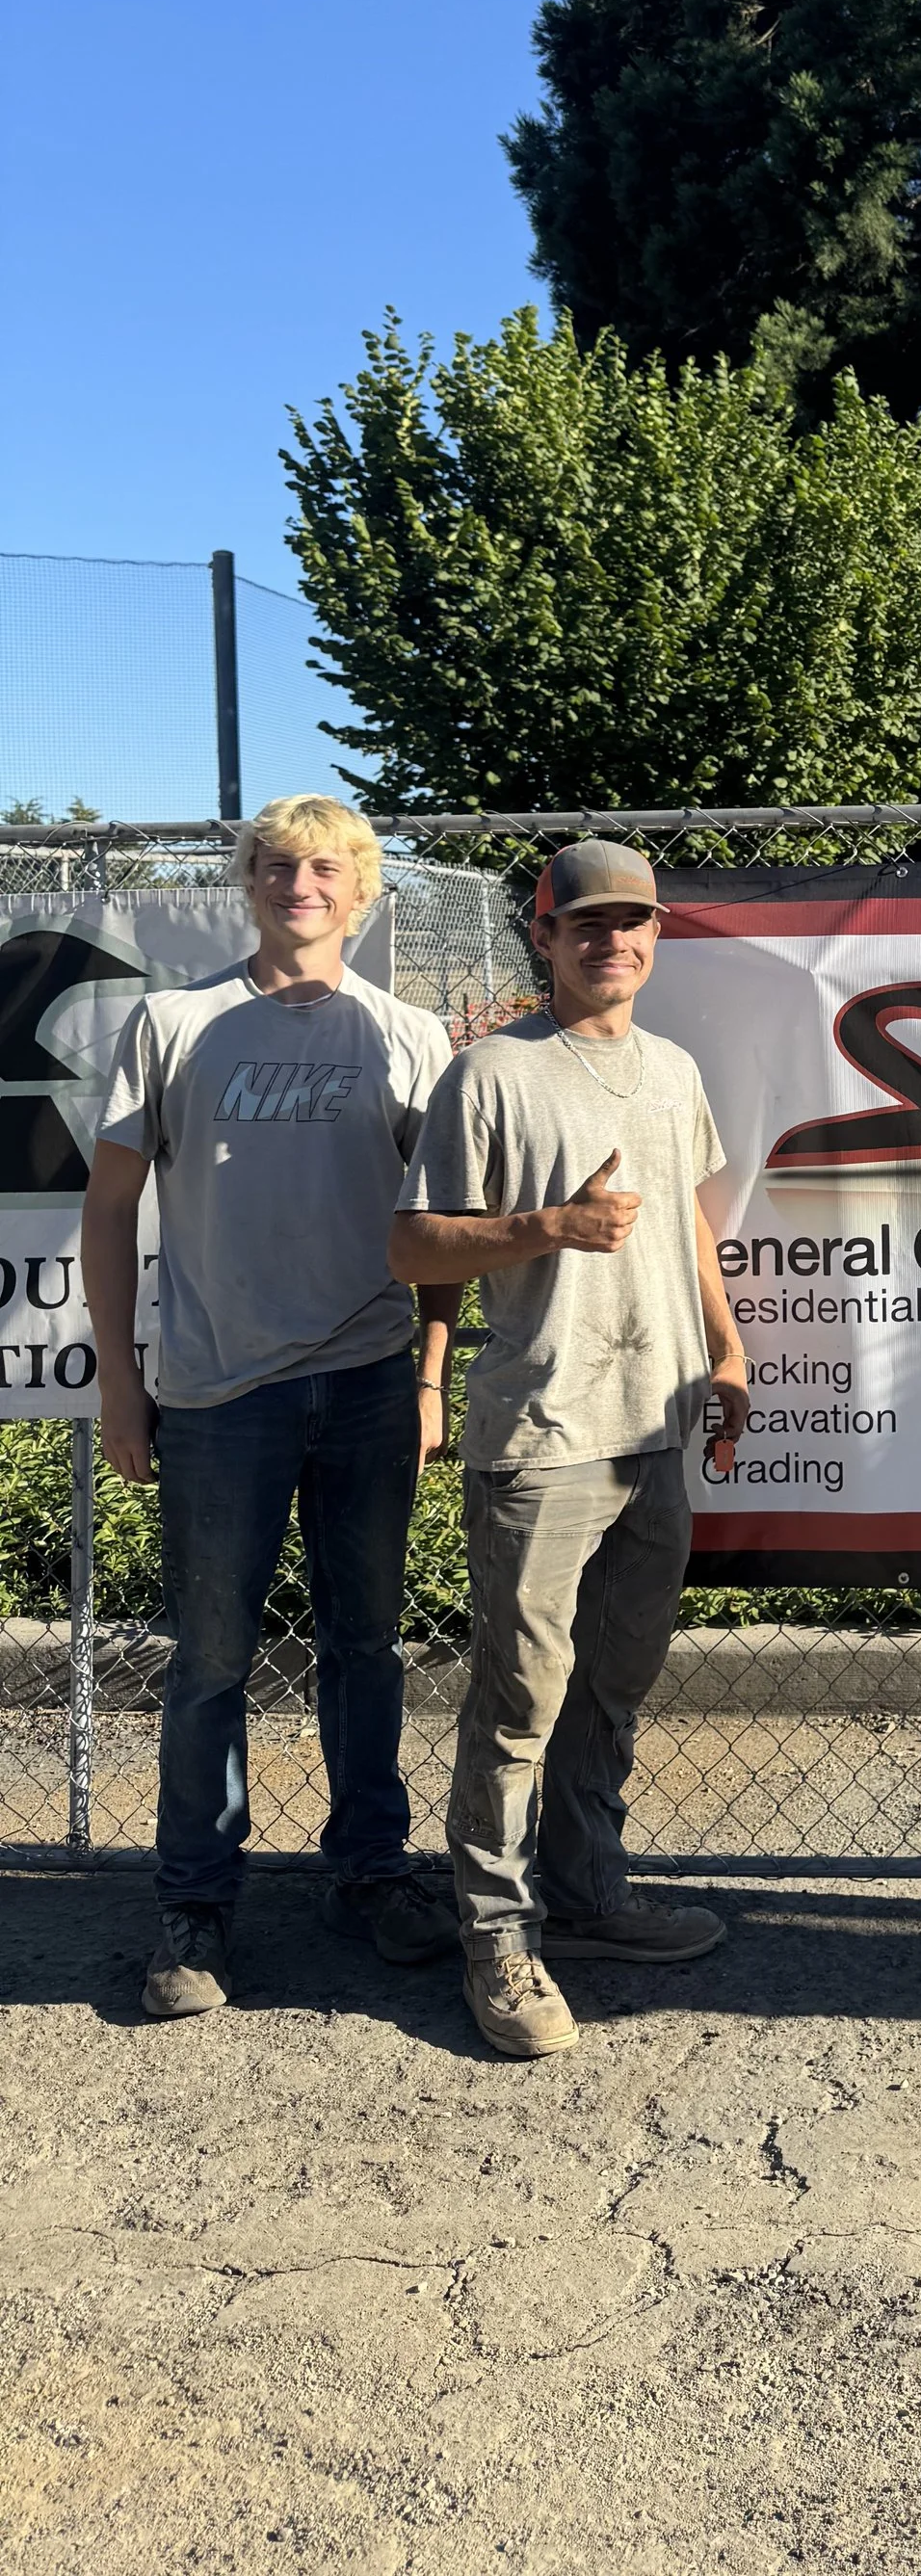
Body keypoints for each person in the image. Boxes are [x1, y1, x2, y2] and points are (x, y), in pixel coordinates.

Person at [83, 796, 462, 2019]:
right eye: (277, 865)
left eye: (326, 867)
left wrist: (429, 1375)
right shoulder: (175, 1023)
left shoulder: (408, 1035)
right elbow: (108, 1211)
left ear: (362, 893)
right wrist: (123, 1387)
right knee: (207, 1663)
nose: (301, 883)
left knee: (366, 1647)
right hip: (215, 1395)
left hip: (364, 1385)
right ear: (248, 885)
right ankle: (195, 1909)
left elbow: (440, 1229)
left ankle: (370, 1874)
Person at [390, 839, 749, 2061]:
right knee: (520, 1698)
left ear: (657, 937)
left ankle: (590, 1899)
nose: (612, 941)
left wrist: (729, 1348)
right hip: (541, 1435)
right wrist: (551, 1226)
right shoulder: (488, 1075)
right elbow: (416, 1249)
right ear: (542, 938)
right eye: (584, 923)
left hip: (656, 1424)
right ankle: (494, 1931)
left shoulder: (673, 1073)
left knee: (612, 1686)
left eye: (633, 921)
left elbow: (692, 1228)